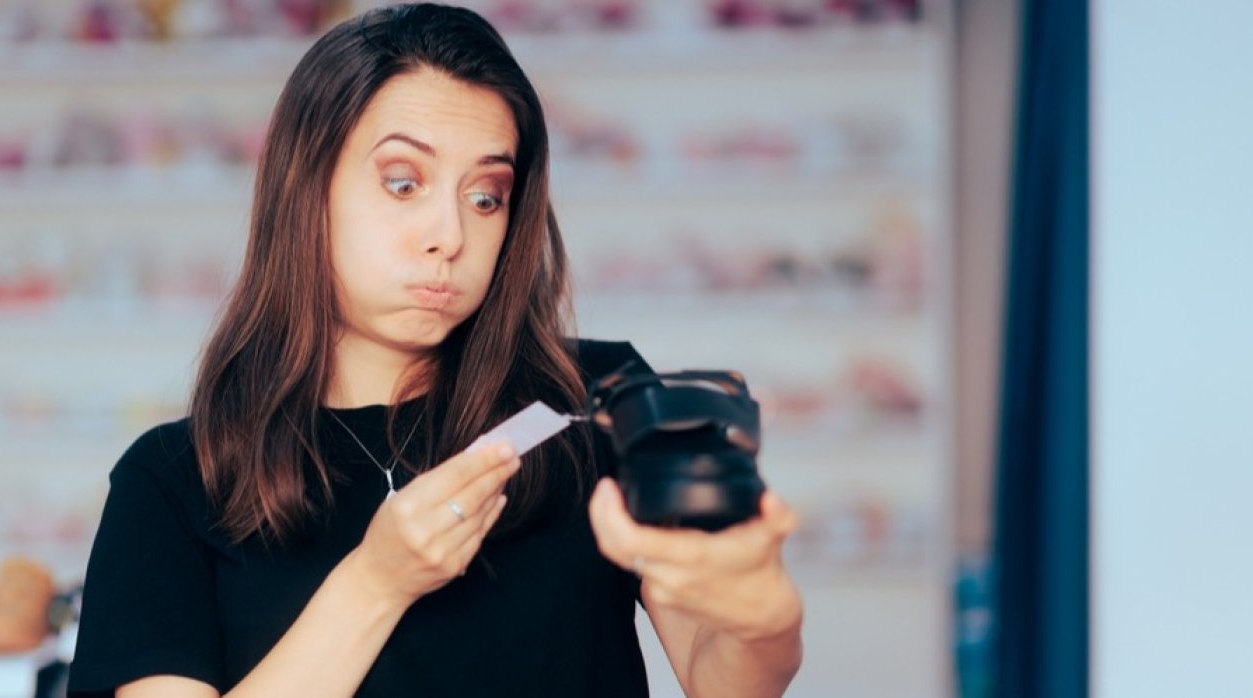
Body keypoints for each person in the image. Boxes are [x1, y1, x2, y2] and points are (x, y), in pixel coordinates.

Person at [66, 4, 802, 697]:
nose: (449, 236)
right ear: (303, 188)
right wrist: (376, 583)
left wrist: (764, 618)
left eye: (485, 197)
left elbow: (724, 679)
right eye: (402, 183)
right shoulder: (173, 482)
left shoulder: (593, 400)